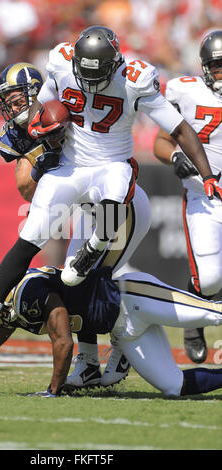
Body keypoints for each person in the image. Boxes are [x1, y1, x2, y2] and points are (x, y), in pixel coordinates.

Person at [0, 25, 222, 354]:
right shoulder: (62, 62)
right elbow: (47, 99)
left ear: (115, 64)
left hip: (111, 161)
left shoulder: (134, 78)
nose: (90, 80)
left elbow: (179, 128)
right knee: (29, 239)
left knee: (117, 190)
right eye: (85, 71)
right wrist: (41, 123)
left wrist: (207, 175)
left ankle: (94, 247)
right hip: (71, 164)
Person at [0, 60, 151, 387]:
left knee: (97, 278)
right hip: (90, 210)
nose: (13, 106)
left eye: (17, 98)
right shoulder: (27, 131)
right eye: (8, 100)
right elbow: (26, 185)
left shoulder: (70, 106)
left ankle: (124, 343)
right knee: (75, 279)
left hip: (120, 205)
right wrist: (42, 163)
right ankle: (91, 360)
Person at [0, 261, 222, 398]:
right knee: (173, 387)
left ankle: (106, 361)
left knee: (214, 314)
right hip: (124, 330)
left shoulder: (27, 291)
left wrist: (53, 389)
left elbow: (63, 340)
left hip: (133, 297)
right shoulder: (12, 305)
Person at [153, 30, 222, 364]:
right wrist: (176, 158)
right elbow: (161, 143)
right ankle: (194, 325)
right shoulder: (186, 91)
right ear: (205, 68)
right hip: (204, 197)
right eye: (217, 66)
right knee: (209, 280)